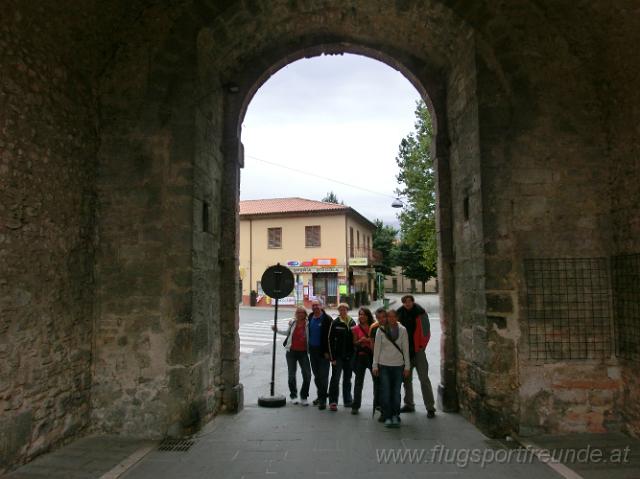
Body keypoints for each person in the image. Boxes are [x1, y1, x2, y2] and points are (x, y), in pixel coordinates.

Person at [397, 294, 436, 418]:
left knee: (424, 379)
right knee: (406, 380)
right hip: (404, 352)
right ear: (403, 303)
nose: (407, 303)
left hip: (418, 351)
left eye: (409, 301)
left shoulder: (420, 313)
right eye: (405, 302)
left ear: (413, 302)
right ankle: (409, 404)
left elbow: (426, 332)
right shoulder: (399, 313)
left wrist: (421, 347)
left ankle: (430, 407)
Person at [372, 309, 410, 428]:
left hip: (398, 365)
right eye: (389, 317)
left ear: (397, 317)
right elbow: (377, 349)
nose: (391, 319)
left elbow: (406, 349)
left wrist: (407, 366)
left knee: (396, 392)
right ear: (387, 318)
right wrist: (375, 365)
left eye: (394, 316)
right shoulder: (380, 330)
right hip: (384, 365)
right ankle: (388, 415)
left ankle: (395, 415)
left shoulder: (403, 330)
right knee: (386, 392)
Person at [272, 306, 311, 406]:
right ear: (296, 314)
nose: (300, 314)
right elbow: (287, 333)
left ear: (305, 314)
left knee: (307, 375)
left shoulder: (308, 323)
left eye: (302, 312)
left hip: (303, 353)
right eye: (298, 312)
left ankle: (303, 396)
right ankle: (293, 396)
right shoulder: (293, 323)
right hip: (291, 352)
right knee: (291, 376)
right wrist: (277, 330)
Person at [327, 303, 356, 411]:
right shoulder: (335, 323)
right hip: (337, 357)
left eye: (344, 309)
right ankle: (333, 401)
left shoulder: (352, 322)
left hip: (349, 356)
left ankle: (348, 400)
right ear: (339, 311)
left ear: (347, 310)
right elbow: (329, 340)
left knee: (347, 379)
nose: (343, 311)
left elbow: (355, 338)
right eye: (341, 309)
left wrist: (354, 354)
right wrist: (332, 358)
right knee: (335, 379)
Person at [307, 299, 332, 410]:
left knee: (323, 376)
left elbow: (331, 337)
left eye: (317, 305)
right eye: (313, 305)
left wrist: (328, 352)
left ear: (321, 306)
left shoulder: (327, 319)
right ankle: (321, 395)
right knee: (317, 376)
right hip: (312, 351)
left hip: (324, 352)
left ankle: (322, 400)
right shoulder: (310, 317)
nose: (315, 307)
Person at [350, 307, 374, 414]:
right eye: (360, 314)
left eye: (363, 314)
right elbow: (354, 343)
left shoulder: (374, 327)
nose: (361, 316)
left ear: (368, 316)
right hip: (360, 357)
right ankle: (356, 405)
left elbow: (378, 341)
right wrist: (360, 341)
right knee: (358, 382)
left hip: (372, 356)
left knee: (377, 381)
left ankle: (378, 404)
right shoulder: (355, 328)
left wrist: (367, 340)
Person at [370, 307, 388, 421]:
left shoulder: (394, 325)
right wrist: (376, 363)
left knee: (391, 387)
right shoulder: (374, 328)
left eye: (383, 317)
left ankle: (392, 411)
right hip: (381, 362)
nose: (381, 320)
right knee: (381, 387)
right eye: (378, 318)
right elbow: (373, 346)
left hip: (393, 362)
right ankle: (381, 408)